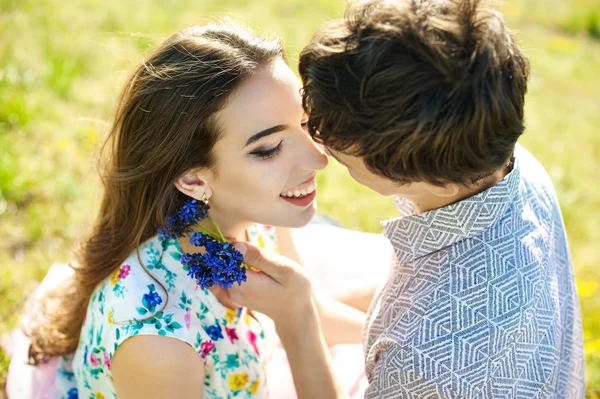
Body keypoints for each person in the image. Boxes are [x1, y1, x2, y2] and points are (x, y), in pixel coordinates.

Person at [230, 0, 585, 397]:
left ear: (437, 179)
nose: (318, 148)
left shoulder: (425, 365)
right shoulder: (507, 163)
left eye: (340, 147)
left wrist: (298, 323)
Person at [7, 21, 376, 399]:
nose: (318, 158)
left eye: (304, 122)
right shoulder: (160, 342)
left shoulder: (252, 215)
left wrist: (401, 343)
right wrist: (297, 325)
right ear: (195, 181)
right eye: (268, 149)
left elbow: (308, 306)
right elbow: (301, 313)